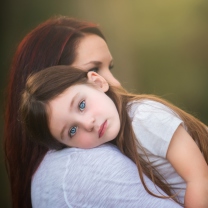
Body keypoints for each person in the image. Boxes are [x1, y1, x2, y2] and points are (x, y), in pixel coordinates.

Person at [3, 15, 181, 208]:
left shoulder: (138, 123)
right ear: (52, 80)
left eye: (108, 67)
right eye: (94, 67)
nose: (115, 83)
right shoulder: (85, 165)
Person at [20, 65, 208, 208]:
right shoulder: (114, 141)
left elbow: (200, 178)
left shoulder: (144, 118)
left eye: (82, 105)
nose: (88, 123)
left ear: (97, 82)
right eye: (72, 131)